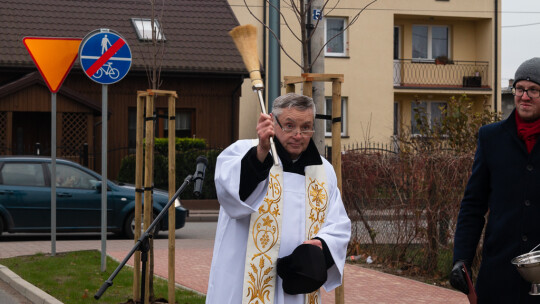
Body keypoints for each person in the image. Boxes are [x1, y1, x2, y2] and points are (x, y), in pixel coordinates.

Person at [206, 93, 351, 304]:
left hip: (297, 289)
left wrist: (321, 245)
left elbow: (338, 226)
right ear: (273, 122)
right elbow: (232, 198)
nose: (298, 135)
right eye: (289, 126)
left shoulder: (323, 170)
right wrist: (261, 153)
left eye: (306, 127)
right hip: (242, 286)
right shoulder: (242, 153)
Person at [450, 57, 540, 303]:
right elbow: (473, 205)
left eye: (534, 90)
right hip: (500, 273)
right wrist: (462, 259)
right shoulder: (491, 138)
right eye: (520, 89)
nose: (525, 96)